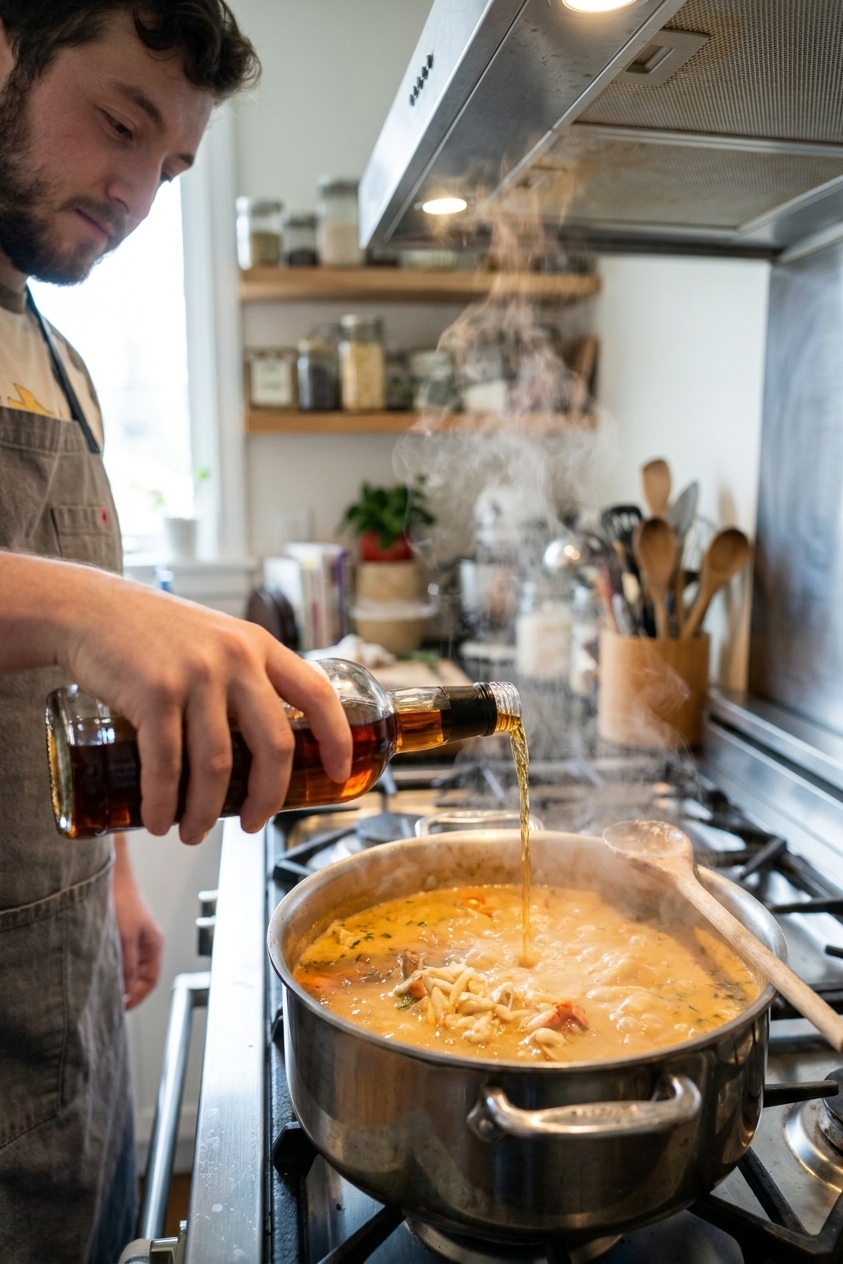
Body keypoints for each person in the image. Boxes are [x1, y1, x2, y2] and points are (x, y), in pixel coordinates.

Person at [0, 4, 352, 1261]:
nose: (139, 194)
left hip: (65, 978)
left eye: (174, 167)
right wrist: (91, 606)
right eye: (119, 123)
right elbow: (75, 619)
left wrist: (118, 877)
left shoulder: (61, 362)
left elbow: (61, 685)